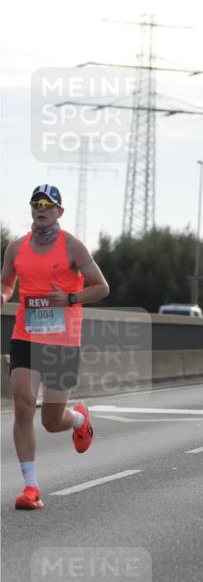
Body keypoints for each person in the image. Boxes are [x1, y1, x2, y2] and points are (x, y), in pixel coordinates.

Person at [0, 185, 110, 510]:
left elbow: (102, 287)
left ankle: (77, 419)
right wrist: (3, 295)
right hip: (27, 334)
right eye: (36, 203)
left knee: (50, 421)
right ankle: (31, 488)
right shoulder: (16, 248)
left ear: (59, 211)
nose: (41, 208)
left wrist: (71, 298)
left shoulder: (73, 247)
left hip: (62, 341)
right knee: (22, 404)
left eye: (48, 204)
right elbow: (7, 282)